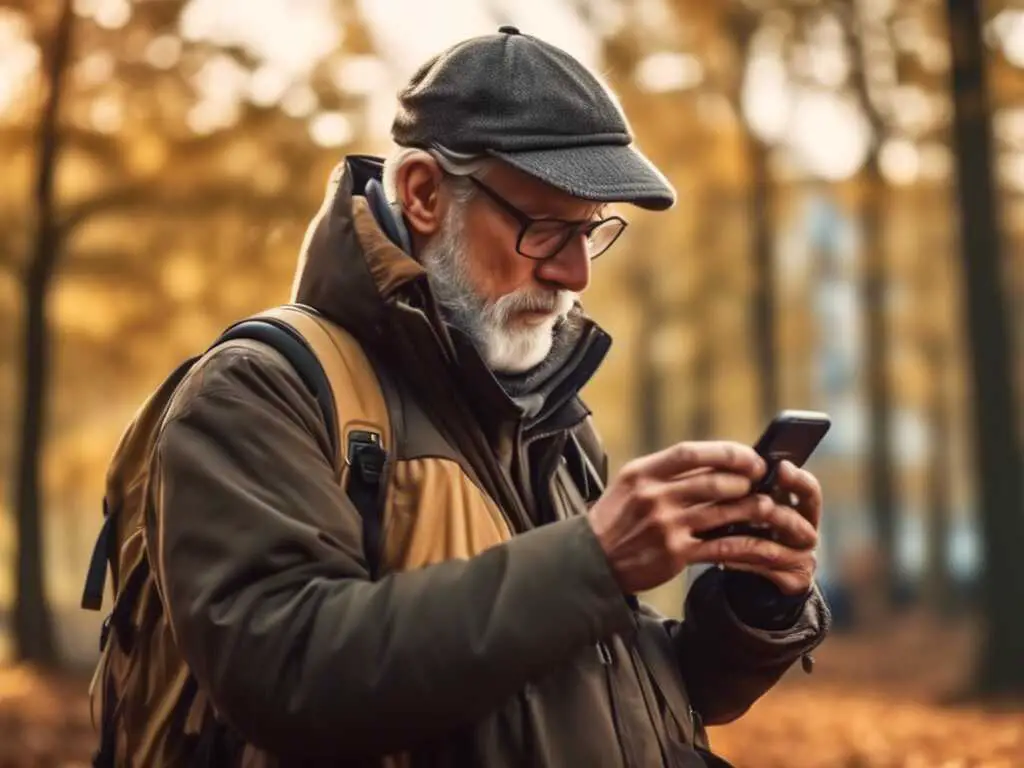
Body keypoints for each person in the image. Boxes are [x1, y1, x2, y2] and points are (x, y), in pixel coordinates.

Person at [126, 27, 830, 767]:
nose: (576, 274)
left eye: (590, 231)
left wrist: (756, 606)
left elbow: (610, 687)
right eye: (546, 227)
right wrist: (593, 561)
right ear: (424, 193)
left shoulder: (544, 407)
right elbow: (288, 676)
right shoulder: (260, 389)